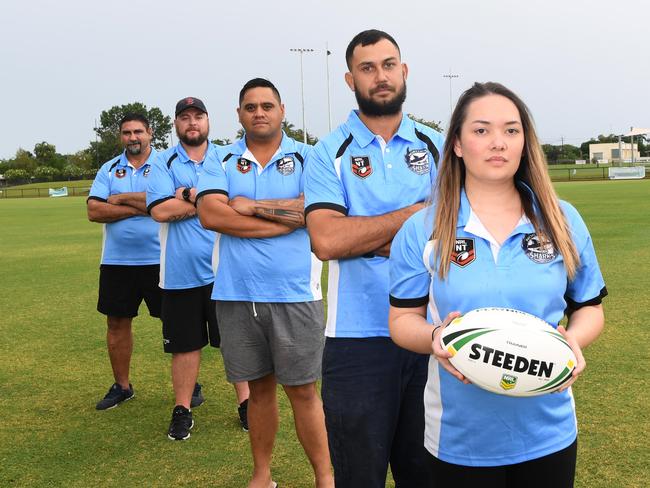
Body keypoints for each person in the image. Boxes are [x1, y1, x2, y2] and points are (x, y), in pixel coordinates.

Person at [388, 81, 607, 487]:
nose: (498, 143)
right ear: (456, 143)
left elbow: (590, 307)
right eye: (481, 130)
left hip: (549, 431)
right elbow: (401, 321)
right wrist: (435, 336)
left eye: (511, 130)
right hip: (459, 438)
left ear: (525, 142)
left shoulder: (562, 220)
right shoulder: (421, 231)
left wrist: (573, 341)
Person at [303, 30, 443, 487]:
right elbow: (326, 240)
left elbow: (456, 235)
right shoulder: (328, 152)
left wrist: (363, 233)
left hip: (431, 332)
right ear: (350, 79)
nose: (380, 77)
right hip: (355, 339)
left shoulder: (439, 145)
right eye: (367, 68)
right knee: (359, 476)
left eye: (388, 65)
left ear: (404, 71)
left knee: (427, 472)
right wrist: (415, 220)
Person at [197, 78, 333, 488]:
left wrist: (253, 207)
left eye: (267, 105)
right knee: (258, 392)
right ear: (239, 114)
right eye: (251, 106)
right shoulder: (219, 159)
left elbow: (317, 211)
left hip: (296, 294)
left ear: (282, 110)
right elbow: (211, 216)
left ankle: (325, 479)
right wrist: (283, 220)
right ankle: (262, 476)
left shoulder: (311, 156)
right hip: (236, 294)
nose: (259, 112)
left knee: (304, 393)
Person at [146, 97, 249, 440]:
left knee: (235, 343)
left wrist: (189, 196)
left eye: (198, 116)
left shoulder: (227, 156)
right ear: (176, 124)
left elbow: (237, 204)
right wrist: (209, 203)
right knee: (184, 346)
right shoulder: (163, 161)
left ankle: (246, 404)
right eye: (185, 117)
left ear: (208, 121)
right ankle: (182, 409)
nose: (192, 122)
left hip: (226, 270)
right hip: (180, 273)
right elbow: (159, 211)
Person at [87, 113, 160, 410]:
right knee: (117, 323)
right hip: (117, 262)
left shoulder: (166, 164)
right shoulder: (108, 169)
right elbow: (94, 210)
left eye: (138, 131)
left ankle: (189, 384)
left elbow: (166, 204)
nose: (133, 137)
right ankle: (122, 386)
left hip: (162, 258)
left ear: (150, 133)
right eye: (127, 132)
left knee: (176, 324)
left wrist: (118, 199)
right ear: (121, 137)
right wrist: (142, 206)